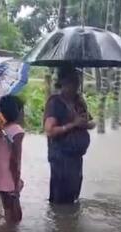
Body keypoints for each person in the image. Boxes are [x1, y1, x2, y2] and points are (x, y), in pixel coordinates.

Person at [44, 66, 95, 204]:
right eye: (72, 82)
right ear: (63, 83)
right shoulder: (55, 103)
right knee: (60, 196)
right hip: (60, 156)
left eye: (77, 82)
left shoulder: (79, 101)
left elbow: (91, 122)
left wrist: (85, 124)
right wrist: (72, 125)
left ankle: (68, 222)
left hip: (76, 155)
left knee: (74, 194)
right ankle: (60, 222)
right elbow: (49, 131)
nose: (75, 86)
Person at [0, 95, 25, 223]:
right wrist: (16, 180)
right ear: (19, 111)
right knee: (16, 214)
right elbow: (15, 159)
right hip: (9, 175)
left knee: (7, 209)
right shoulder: (17, 131)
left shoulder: (1, 131)